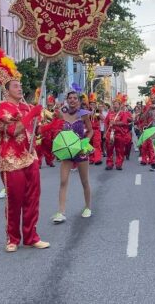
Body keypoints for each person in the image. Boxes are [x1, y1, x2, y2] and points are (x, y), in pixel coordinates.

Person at [0, 41, 49, 252]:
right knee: (14, 201)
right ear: (6, 90)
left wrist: (43, 123)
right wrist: (32, 115)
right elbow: (14, 131)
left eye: (20, 85)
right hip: (11, 160)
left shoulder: (27, 106)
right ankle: (12, 239)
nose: (20, 87)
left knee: (32, 200)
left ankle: (31, 236)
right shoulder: (1, 108)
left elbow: (34, 132)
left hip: (30, 157)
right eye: (15, 85)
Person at [52, 91, 93, 223]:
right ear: (67, 100)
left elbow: (91, 130)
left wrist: (86, 141)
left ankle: (88, 207)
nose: (72, 100)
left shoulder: (83, 114)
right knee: (63, 181)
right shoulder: (62, 113)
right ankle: (61, 212)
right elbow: (55, 126)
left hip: (80, 150)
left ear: (79, 101)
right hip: (67, 151)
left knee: (84, 181)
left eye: (75, 98)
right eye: (70, 98)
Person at [104, 95, 132, 170]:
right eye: (114, 104)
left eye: (116, 104)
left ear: (120, 105)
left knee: (119, 150)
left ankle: (119, 164)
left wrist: (115, 123)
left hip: (120, 134)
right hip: (110, 134)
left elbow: (124, 122)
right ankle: (109, 164)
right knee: (109, 150)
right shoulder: (109, 113)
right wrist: (105, 133)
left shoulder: (123, 113)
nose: (115, 106)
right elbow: (106, 123)